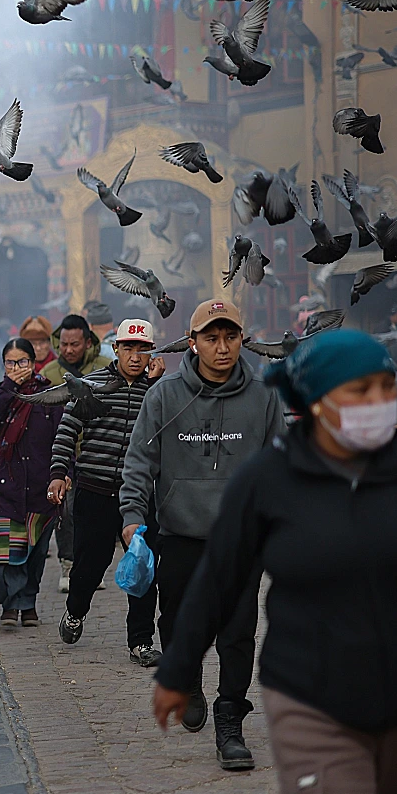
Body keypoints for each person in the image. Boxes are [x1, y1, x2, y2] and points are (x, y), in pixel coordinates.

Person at [154, 329, 397, 794]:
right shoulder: (267, 480)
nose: (378, 402)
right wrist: (176, 669)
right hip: (309, 692)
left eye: (386, 388)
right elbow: (219, 579)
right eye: (359, 391)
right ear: (317, 400)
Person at [119, 298, 285, 769]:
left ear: (241, 340)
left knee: (237, 632)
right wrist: (133, 518)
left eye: (230, 337)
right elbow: (139, 462)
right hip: (180, 534)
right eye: (211, 338)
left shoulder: (263, 395)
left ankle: (230, 722)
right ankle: (189, 678)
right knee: (175, 625)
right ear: (192, 344)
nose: (222, 347)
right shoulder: (165, 395)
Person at [52, 319, 165, 666]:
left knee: (143, 567)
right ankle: (75, 610)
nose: (135, 356)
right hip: (95, 490)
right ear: (114, 350)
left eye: (142, 348)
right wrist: (59, 474)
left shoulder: (159, 391)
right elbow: (66, 431)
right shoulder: (92, 385)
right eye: (128, 348)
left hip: (142, 496)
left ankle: (140, 642)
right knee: (90, 565)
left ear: (151, 352)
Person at [0, 338, 63, 626]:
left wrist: (63, 474)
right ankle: (10, 603)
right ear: (3, 365)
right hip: (7, 483)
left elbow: (61, 437)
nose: (17, 368)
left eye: (23, 362)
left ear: (33, 363)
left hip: (41, 483)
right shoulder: (0, 393)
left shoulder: (50, 394)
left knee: (36, 551)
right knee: (8, 551)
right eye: (11, 362)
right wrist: (9, 388)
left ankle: (28, 602)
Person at [42, 314, 110, 592]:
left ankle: (93, 566)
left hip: (100, 452)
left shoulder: (106, 368)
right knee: (66, 511)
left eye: (75, 344)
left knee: (95, 514)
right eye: (64, 344)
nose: (69, 349)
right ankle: (68, 564)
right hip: (66, 454)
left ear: (87, 341)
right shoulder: (48, 374)